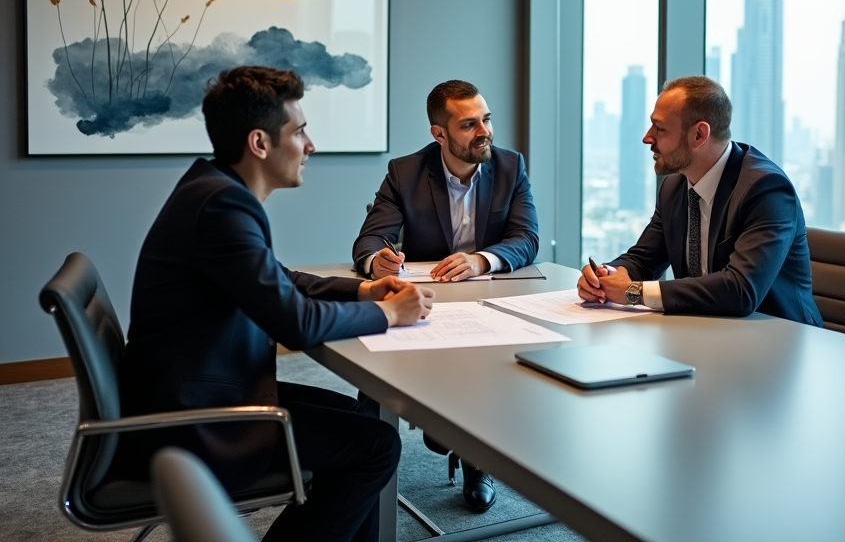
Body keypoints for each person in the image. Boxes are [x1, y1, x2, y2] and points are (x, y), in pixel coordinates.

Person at [119, 66, 435, 542]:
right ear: (260, 144)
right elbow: (296, 324)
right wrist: (390, 313)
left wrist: (362, 290)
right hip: (196, 422)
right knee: (377, 446)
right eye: (300, 131)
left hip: (198, 389)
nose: (310, 146)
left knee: (358, 421)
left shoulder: (213, 190)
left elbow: (276, 278)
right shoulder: (223, 208)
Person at [352, 79, 539, 511]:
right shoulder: (406, 171)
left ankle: (478, 460)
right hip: (426, 302)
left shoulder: (511, 167)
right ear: (440, 134)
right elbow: (369, 240)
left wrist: (482, 260)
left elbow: (526, 237)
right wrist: (376, 260)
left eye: (487, 119)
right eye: (469, 124)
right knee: (379, 356)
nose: (484, 132)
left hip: (490, 298)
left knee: (496, 359)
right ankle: (361, 465)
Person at [577, 75, 822, 327]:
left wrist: (634, 292)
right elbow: (643, 259)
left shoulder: (765, 189)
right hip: (706, 333)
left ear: (699, 135)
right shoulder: (675, 186)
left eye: (659, 128)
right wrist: (606, 276)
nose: (647, 138)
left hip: (779, 341)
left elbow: (740, 290)